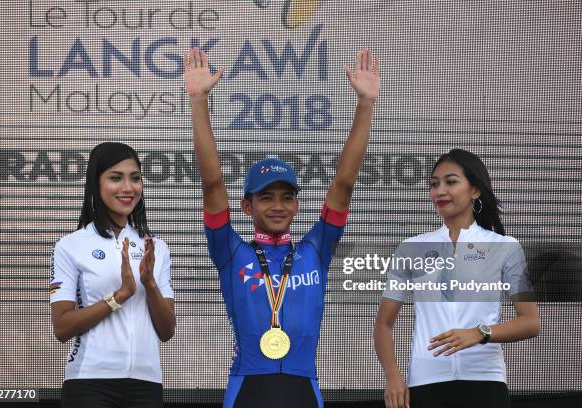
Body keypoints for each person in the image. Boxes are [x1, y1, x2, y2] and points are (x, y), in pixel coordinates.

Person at [184, 47, 380, 407]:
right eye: (266, 197)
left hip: (303, 388)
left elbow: (343, 184)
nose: (277, 206)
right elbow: (212, 182)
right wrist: (198, 101)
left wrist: (365, 104)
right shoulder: (230, 250)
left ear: (297, 204)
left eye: (287, 197)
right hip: (247, 390)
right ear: (247, 205)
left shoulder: (315, 249)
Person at [374, 149, 541, 408]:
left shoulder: (506, 247)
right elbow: (383, 325)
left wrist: (480, 333)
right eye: (434, 184)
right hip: (425, 384)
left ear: (475, 190)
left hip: (485, 382)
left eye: (451, 182)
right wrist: (393, 377)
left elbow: (530, 322)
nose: (439, 191)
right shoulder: (411, 247)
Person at [49, 142, 175, 408]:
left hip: (146, 383)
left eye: (135, 178)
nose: (128, 188)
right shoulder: (70, 245)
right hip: (89, 383)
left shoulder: (156, 247)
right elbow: (62, 327)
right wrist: (120, 296)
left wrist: (149, 284)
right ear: (96, 183)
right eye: (116, 178)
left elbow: (166, 331)